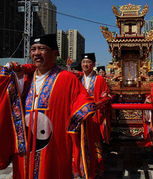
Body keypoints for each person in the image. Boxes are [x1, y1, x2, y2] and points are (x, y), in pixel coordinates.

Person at [1, 34, 96, 179]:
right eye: (33, 49)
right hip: (25, 148)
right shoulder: (24, 79)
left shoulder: (67, 78)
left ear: (54, 52)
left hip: (54, 148)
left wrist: (84, 111)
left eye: (42, 49)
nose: (36, 53)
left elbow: (84, 103)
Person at [79, 53, 111, 177]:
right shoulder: (78, 79)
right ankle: (82, 167)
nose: (85, 65)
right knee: (80, 141)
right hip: (81, 115)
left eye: (88, 62)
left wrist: (97, 105)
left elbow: (106, 96)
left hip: (95, 115)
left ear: (93, 65)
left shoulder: (100, 79)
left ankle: (96, 167)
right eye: (83, 62)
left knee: (94, 142)